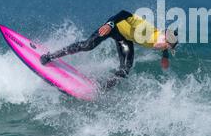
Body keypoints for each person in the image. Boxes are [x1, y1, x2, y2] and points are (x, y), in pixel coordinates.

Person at [40, 10, 178, 89]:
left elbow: (164, 46)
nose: (163, 46)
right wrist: (110, 24)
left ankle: (102, 89)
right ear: (162, 35)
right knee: (88, 45)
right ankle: (51, 56)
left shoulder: (161, 43)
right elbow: (124, 13)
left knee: (125, 70)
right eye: (164, 42)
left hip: (124, 39)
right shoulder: (147, 30)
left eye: (167, 47)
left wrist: (165, 56)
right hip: (113, 27)